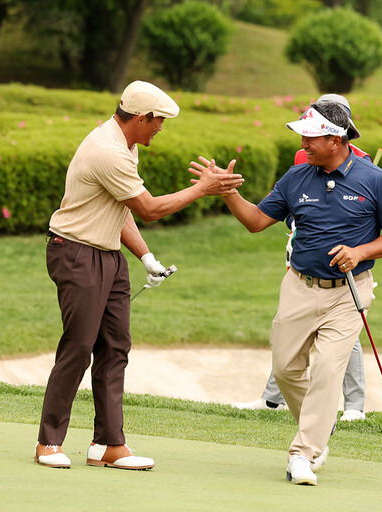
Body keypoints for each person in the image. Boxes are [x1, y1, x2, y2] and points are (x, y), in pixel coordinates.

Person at [189, 101, 382, 486]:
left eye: (311, 135)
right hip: (299, 286)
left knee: (327, 370)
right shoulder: (296, 177)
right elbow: (256, 221)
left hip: (348, 293)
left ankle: (302, 454)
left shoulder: (376, 180)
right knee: (286, 368)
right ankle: (320, 426)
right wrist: (225, 193)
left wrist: (359, 252)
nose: (303, 141)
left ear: (335, 137)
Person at [34, 80, 244, 470]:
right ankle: (48, 441)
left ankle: (108, 444)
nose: (161, 128)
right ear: (142, 117)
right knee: (79, 347)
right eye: (158, 121)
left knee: (115, 347)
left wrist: (145, 256)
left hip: (109, 256)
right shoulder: (107, 150)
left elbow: (122, 208)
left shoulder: (127, 146)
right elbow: (148, 208)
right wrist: (202, 189)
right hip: (76, 252)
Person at [232, 94, 370, 422]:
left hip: (344, 264)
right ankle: (272, 399)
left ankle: (354, 406)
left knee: (342, 337)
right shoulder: (302, 156)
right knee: (291, 337)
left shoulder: (363, 164)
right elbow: (296, 197)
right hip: (302, 254)